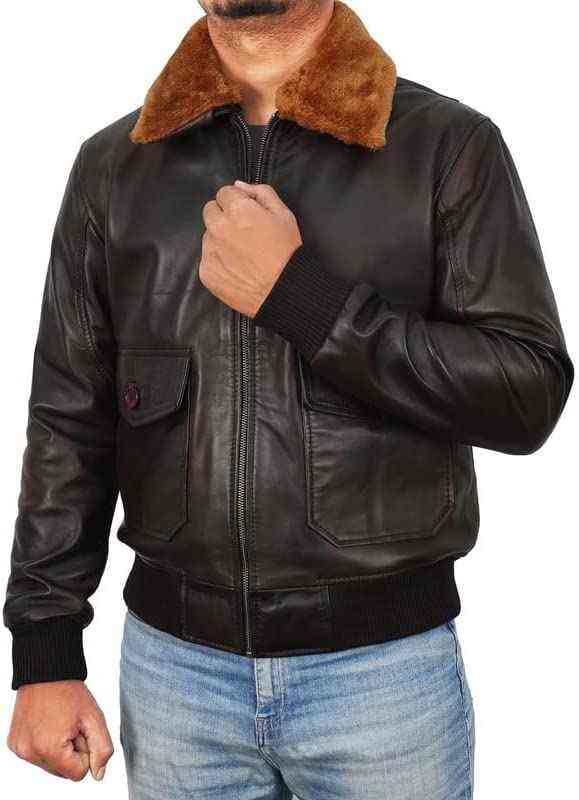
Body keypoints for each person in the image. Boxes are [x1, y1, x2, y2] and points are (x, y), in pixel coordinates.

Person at [4, 1, 573, 797]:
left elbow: (525, 389)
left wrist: (303, 301)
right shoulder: (112, 167)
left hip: (380, 679)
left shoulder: (445, 145)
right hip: (174, 682)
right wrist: (45, 652)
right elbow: (69, 419)